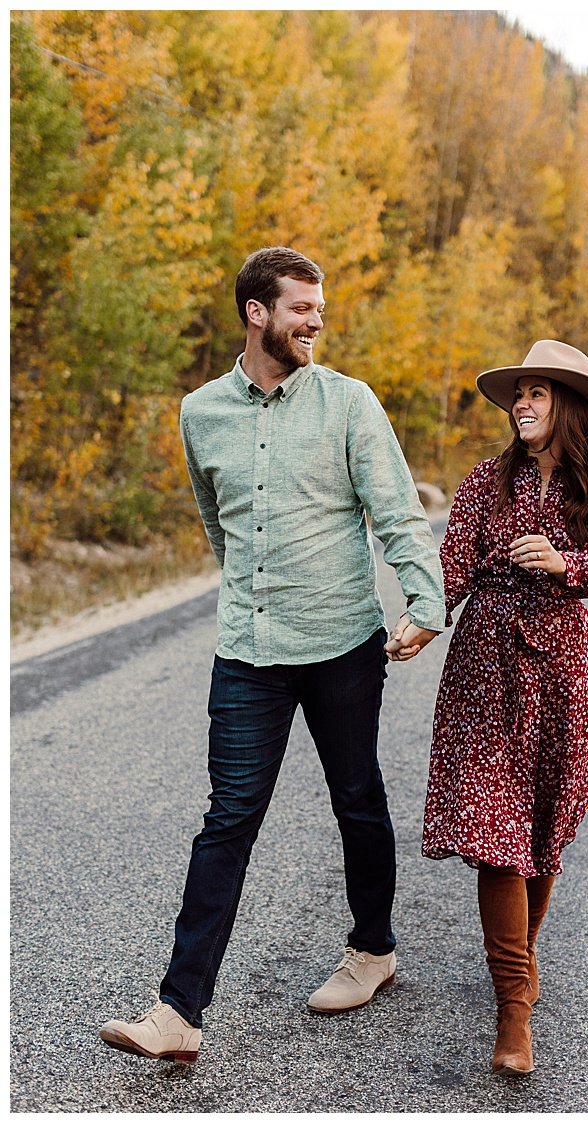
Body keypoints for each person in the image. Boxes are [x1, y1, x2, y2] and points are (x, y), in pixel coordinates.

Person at [99, 247, 445, 1063]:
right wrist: (259, 595)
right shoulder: (200, 412)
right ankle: (179, 1012)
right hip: (248, 650)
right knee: (228, 819)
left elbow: (396, 510)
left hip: (342, 647)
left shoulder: (349, 404)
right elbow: (218, 524)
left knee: (356, 796)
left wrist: (424, 601)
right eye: (300, 308)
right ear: (257, 313)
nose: (315, 321)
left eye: (318, 308)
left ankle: (373, 950)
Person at [398, 339, 588, 1076]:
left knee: (543, 828)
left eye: (538, 392)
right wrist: (421, 623)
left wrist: (564, 563)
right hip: (486, 664)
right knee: (496, 834)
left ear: (571, 408)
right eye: (518, 393)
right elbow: (451, 567)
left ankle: (519, 962)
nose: (521, 404)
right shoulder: (482, 483)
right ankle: (513, 1011)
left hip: (564, 668)